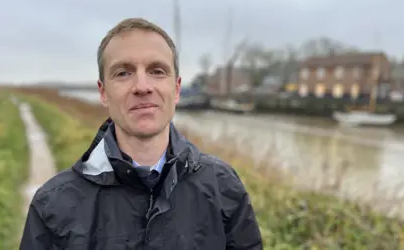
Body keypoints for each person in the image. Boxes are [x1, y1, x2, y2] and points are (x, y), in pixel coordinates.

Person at [19, 17, 263, 249]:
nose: (142, 87)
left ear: (176, 89)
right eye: (123, 73)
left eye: (157, 71)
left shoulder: (223, 188)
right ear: (103, 93)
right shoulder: (52, 205)